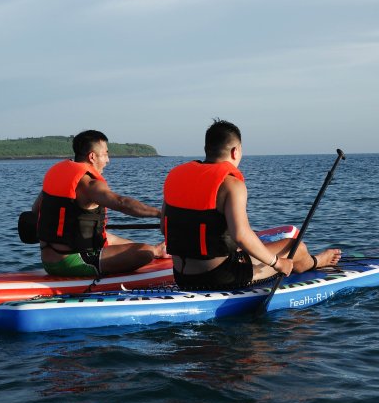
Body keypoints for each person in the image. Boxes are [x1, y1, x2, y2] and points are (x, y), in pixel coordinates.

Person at [162, 119, 341, 291]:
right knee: (296, 247)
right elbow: (241, 234)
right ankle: (317, 261)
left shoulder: (174, 176)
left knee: (244, 247)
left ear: (206, 149)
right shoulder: (232, 185)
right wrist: (277, 263)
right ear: (235, 151)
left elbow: (165, 227)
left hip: (181, 276)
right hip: (218, 277)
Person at [32, 130, 165, 277]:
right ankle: (154, 251)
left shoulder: (55, 174)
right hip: (73, 262)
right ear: (92, 156)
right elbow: (122, 203)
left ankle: (156, 250)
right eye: (106, 154)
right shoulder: (90, 184)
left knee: (108, 236)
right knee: (145, 252)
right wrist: (160, 213)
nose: (108, 160)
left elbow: (35, 209)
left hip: (48, 261)